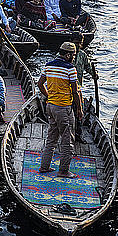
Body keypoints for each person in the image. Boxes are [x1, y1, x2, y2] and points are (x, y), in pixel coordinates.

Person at [38, 42, 81, 178]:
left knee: (51, 138)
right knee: (67, 140)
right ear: (68, 54)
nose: (73, 57)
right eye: (73, 55)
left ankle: (44, 167)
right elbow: (75, 92)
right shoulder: (70, 68)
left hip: (50, 106)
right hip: (63, 108)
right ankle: (63, 171)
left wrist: (49, 96)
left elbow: (40, 84)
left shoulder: (48, 65)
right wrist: (79, 109)